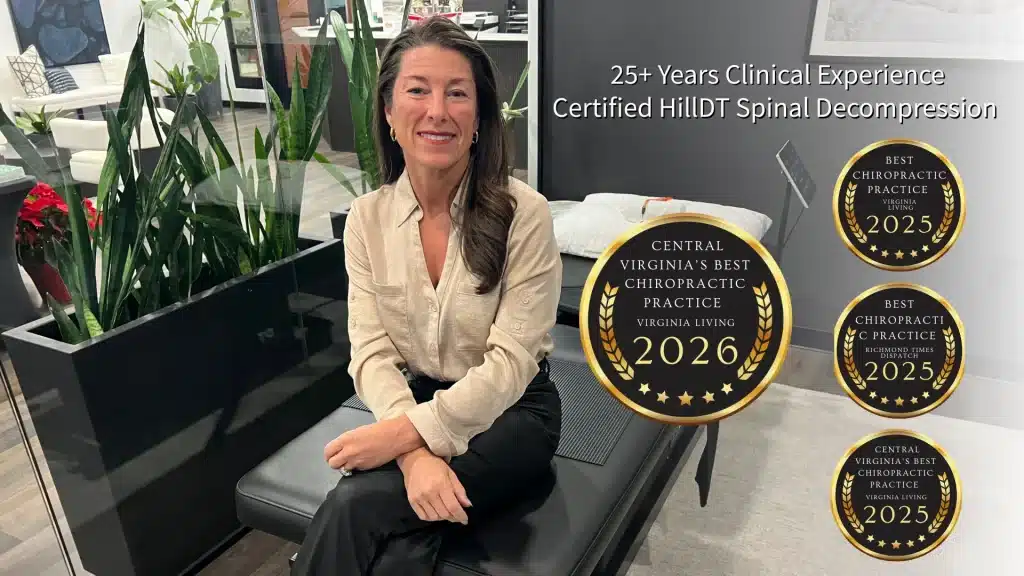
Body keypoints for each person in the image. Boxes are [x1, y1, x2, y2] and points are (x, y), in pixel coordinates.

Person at [291, 15, 564, 575]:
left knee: (355, 503)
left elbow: (512, 362)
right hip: (413, 401)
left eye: (457, 93)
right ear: (389, 113)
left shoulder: (525, 214)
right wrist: (414, 454)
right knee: (396, 540)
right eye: (417, 91)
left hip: (512, 414)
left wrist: (399, 436)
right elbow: (371, 353)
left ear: (479, 117)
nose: (437, 110)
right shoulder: (367, 219)